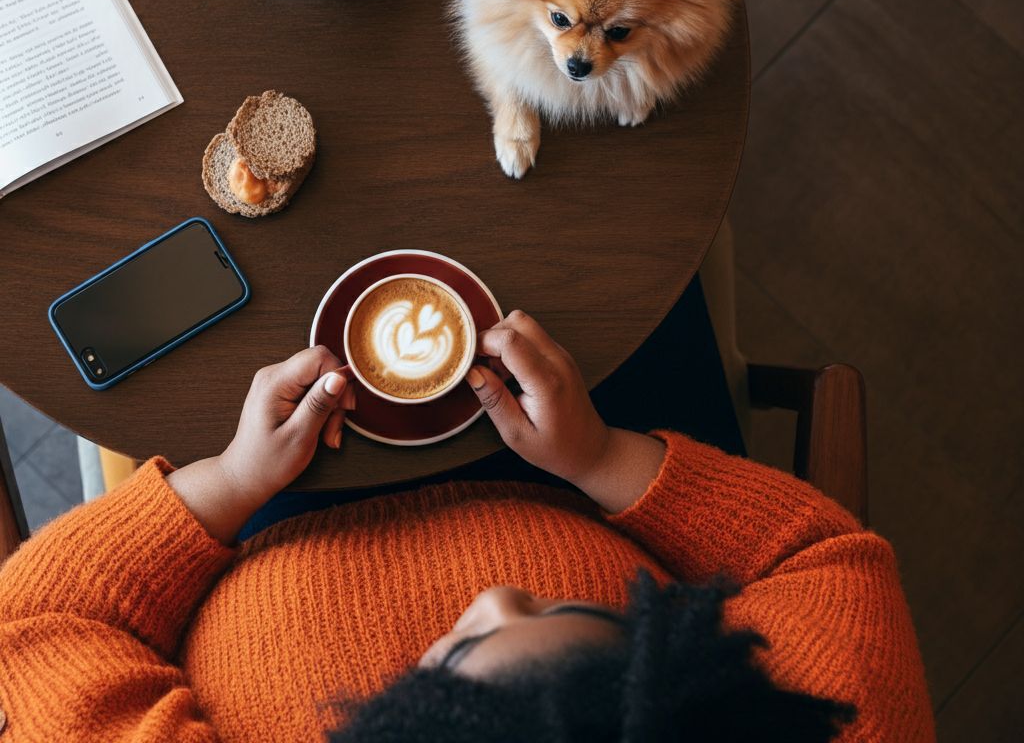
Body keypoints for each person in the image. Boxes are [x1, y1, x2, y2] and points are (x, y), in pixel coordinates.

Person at [0, 311, 934, 741]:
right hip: (600, 482)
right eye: (604, 620)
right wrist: (602, 457)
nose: (487, 596)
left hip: (247, 526)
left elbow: (37, 628)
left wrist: (234, 480)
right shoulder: (794, 730)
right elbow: (820, 564)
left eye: (445, 659)